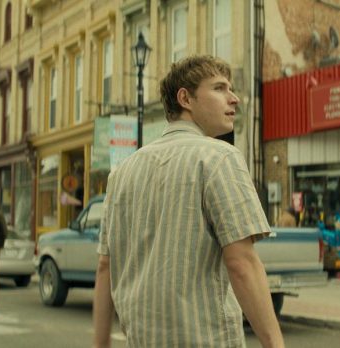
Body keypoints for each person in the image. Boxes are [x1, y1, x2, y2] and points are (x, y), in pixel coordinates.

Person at [93, 55, 284, 348]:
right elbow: (242, 263)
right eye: (219, 88)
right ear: (185, 98)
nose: (234, 99)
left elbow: (105, 267)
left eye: (231, 89)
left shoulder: (121, 173)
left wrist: (100, 343)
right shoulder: (219, 157)